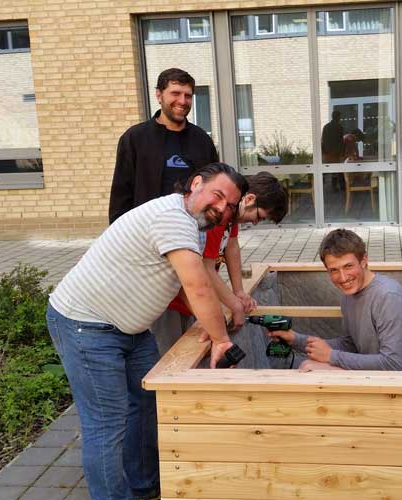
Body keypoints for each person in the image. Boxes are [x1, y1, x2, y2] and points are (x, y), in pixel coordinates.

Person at [46, 163, 246, 500]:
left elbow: (186, 284)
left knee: (147, 400)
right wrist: (221, 338)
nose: (222, 208)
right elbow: (197, 288)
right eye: (218, 195)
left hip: (128, 330)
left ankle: (143, 484)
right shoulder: (172, 218)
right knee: (107, 424)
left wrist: (210, 319)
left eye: (229, 206)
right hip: (86, 325)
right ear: (196, 183)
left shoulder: (190, 223)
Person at [266, 229, 402, 371]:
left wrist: (331, 356)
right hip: (381, 376)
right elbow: (349, 345)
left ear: (364, 260)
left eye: (348, 266)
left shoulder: (388, 297)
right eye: (334, 270)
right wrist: (295, 339)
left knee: (309, 369)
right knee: (310, 365)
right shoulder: (349, 295)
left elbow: (392, 364)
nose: (343, 277)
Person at [161, 172, 288, 355]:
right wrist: (234, 306)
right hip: (170, 300)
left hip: (190, 298)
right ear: (250, 199)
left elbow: (232, 247)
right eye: (259, 217)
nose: (254, 223)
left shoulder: (233, 215)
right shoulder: (218, 218)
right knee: (169, 355)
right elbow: (207, 269)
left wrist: (239, 291)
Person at [109, 67, 218, 224]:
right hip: (146, 231)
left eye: (188, 96)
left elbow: (213, 188)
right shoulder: (135, 138)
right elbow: (121, 194)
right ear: (159, 95)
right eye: (175, 93)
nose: (182, 101)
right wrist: (116, 233)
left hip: (192, 230)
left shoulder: (202, 140)